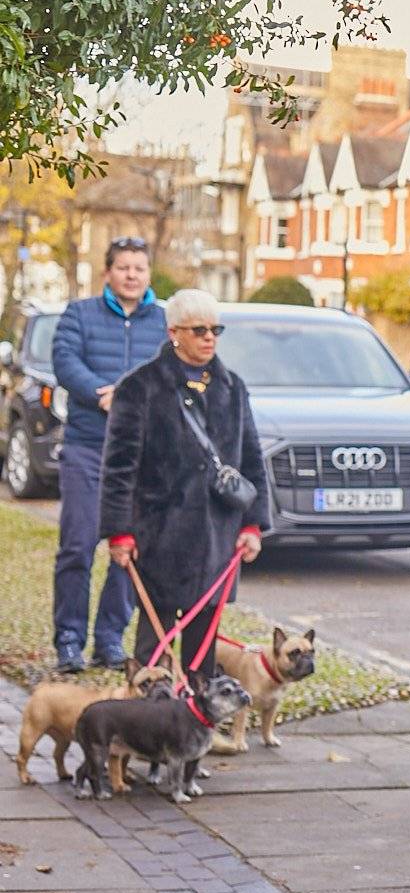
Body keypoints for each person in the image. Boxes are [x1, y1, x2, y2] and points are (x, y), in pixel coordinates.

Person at [100, 290, 268, 681]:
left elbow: (252, 460)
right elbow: (119, 468)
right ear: (174, 332)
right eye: (199, 330)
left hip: (217, 536)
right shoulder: (139, 387)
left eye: (216, 329)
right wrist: (119, 531)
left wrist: (252, 525)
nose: (209, 337)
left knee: (202, 645)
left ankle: (193, 723)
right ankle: (143, 725)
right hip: (159, 535)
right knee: (153, 643)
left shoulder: (232, 387)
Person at [47, 237, 167, 672]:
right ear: (108, 273)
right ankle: (69, 641)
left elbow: (170, 372)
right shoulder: (80, 314)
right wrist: (103, 394)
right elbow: (64, 361)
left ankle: (110, 640)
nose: (132, 275)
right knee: (77, 547)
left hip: (140, 457)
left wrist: (134, 397)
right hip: (87, 448)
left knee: (128, 550)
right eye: (123, 267)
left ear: (148, 274)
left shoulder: (164, 321)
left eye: (139, 268)